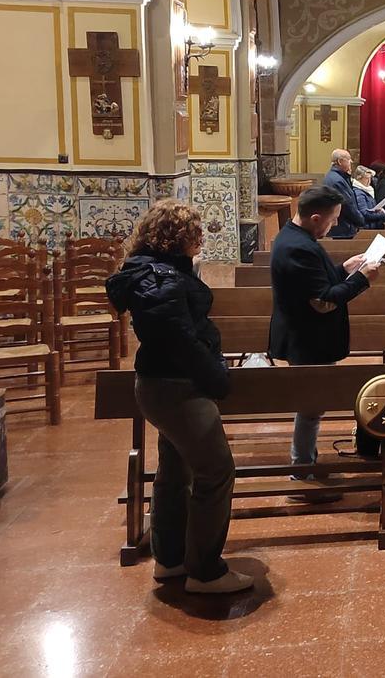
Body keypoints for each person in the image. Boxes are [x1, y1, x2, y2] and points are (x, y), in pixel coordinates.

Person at [104, 200, 251, 594]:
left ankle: (169, 560)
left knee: (175, 470)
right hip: (178, 386)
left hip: (165, 383)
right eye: (195, 232)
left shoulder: (157, 272)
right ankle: (205, 571)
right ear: (175, 237)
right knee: (216, 471)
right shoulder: (162, 279)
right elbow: (180, 341)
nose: (201, 238)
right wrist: (217, 378)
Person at [269, 186, 380, 480]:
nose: (332, 226)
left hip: (308, 337)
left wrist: (344, 268)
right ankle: (302, 468)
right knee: (311, 406)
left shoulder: (296, 238)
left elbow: (314, 282)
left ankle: (305, 462)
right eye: (332, 221)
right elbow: (322, 299)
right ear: (316, 218)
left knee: (313, 405)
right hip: (307, 339)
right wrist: (361, 279)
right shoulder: (298, 247)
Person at [322, 149, 366, 239]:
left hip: (341, 226)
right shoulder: (337, 180)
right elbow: (347, 205)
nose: (351, 162)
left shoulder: (334, 177)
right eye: (348, 159)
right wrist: (361, 220)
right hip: (342, 228)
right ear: (340, 161)